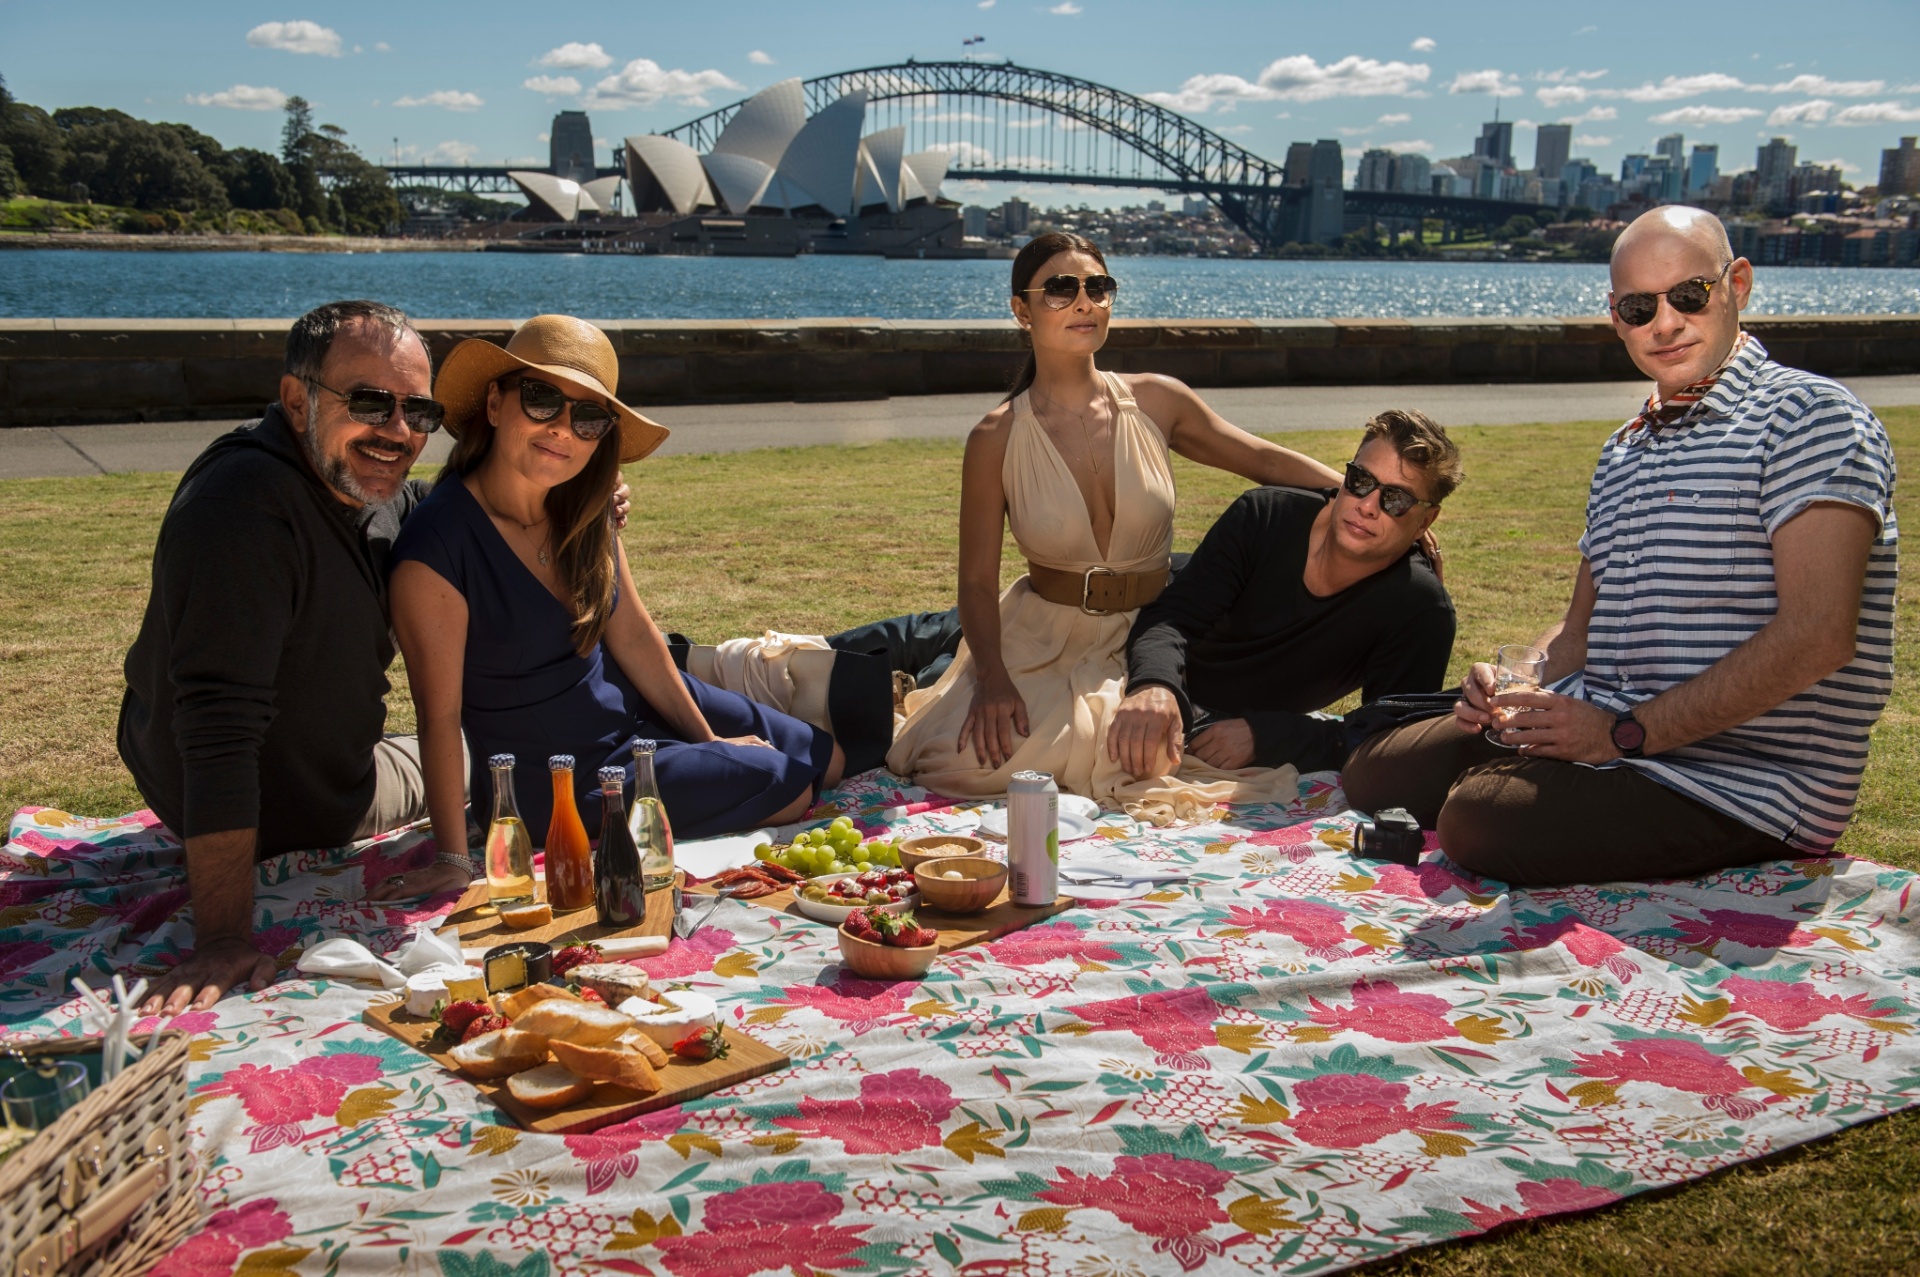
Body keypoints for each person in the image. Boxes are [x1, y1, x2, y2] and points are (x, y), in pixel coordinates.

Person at [1343, 206, 1898, 884]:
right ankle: (1533, 771)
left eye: (1689, 295)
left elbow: (1819, 635)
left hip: (1744, 781)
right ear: (1616, 316)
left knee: (1476, 818)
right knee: (1374, 772)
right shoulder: (1626, 448)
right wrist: (1518, 682)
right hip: (1610, 732)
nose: (1664, 323)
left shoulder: (1812, 419)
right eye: (1639, 307)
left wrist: (1619, 734)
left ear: (1739, 285)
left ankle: (1533, 781)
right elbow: (1579, 631)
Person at [884, 232, 1350, 819]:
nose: (1085, 302)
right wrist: (995, 681)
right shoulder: (995, 436)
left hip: (1155, 631)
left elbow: (1260, 459)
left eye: (1098, 287)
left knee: (1136, 751)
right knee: (964, 761)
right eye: (1060, 289)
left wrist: (1362, 492)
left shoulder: (1158, 400)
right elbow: (976, 582)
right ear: (1021, 310)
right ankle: (916, 681)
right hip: (1044, 639)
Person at [389, 315, 845, 876]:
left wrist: (707, 742)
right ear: (493, 404)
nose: (562, 428)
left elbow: (631, 634)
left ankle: (705, 766)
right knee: (787, 787)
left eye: (588, 418)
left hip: (635, 714)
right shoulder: (437, 548)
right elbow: (440, 716)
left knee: (825, 758)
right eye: (541, 399)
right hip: (563, 777)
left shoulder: (583, 508)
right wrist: (453, 858)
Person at [122, 301, 456, 1014]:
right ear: (297, 397)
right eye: (370, 401)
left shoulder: (356, 476)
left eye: (419, 412)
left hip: (313, 770)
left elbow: (432, 503)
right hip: (304, 800)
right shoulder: (241, 506)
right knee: (483, 747)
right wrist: (221, 937)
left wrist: (576, 498)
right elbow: (217, 725)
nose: (398, 431)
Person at [1106, 410, 1458, 780]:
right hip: (1129, 647)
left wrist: (1266, 736)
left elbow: (1385, 738)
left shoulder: (1421, 609)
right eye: (1360, 480)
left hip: (1219, 720)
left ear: (1425, 521)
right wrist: (1154, 685)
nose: (1368, 506)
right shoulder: (1265, 516)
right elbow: (1171, 617)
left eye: (1396, 500)